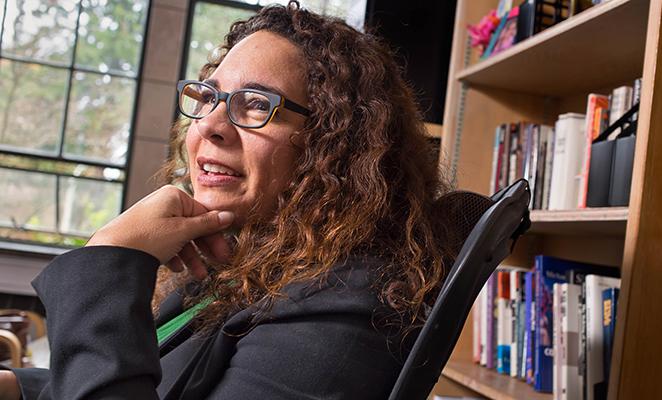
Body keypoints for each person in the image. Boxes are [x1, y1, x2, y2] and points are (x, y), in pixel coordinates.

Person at [0, 2, 456, 398]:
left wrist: (110, 258)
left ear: (337, 145)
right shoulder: (247, 266)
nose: (208, 126)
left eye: (257, 103)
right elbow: (147, 384)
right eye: (208, 96)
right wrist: (18, 387)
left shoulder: (347, 306)